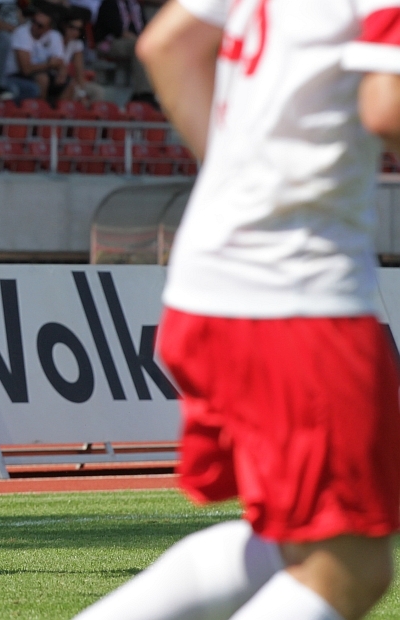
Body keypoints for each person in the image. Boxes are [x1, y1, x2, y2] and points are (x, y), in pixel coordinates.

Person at [76, 1, 400, 620]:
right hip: (297, 294)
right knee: (350, 567)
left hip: (216, 281)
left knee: (289, 539)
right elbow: (387, 106)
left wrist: (240, 177)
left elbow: (167, 45)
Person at [5, 5, 63, 100]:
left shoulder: (54, 35)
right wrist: (49, 64)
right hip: (13, 75)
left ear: (48, 29)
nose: (34, 26)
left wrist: (62, 73)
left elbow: (59, 62)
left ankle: (58, 109)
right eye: (34, 21)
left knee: (68, 82)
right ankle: (38, 107)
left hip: (34, 72)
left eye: (40, 25)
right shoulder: (22, 32)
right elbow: (25, 70)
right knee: (42, 79)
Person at [54, 15, 105, 102]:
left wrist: (82, 92)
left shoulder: (77, 43)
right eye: (72, 27)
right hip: (54, 76)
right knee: (72, 85)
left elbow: (79, 70)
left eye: (78, 29)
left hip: (67, 79)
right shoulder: (55, 37)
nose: (75, 32)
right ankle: (58, 108)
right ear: (64, 26)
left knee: (98, 91)